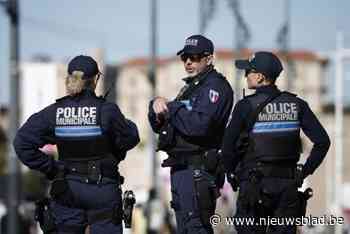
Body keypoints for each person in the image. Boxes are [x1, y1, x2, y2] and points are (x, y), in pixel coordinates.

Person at [13, 55, 140, 234]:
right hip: (103, 189)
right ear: (95, 80)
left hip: (67, 189)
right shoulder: (107, 111)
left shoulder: (54, 112)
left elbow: (21, 143)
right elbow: (131, 138)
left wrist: (52, 169)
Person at [222, 51, 331, 234]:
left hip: (253, 185)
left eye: (248, 71)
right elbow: (323, 142)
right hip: (287, 187)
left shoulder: (245, 106)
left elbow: (227, 148)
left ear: (260, 77)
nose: (245, 75)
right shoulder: (297, 105)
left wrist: (233, 175)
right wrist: (304, 172)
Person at [148, 34, 234, 234]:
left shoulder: (215, 86)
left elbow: (199, 126)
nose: (188, 62)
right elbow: (162, 126)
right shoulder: (191, 88)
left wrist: (171, 107)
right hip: (181, 169)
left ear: (208, 59)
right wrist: (156, 106)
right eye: (185, 57)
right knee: (185, 228)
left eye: (194, 57)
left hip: (198, 171)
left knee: (196, 227)